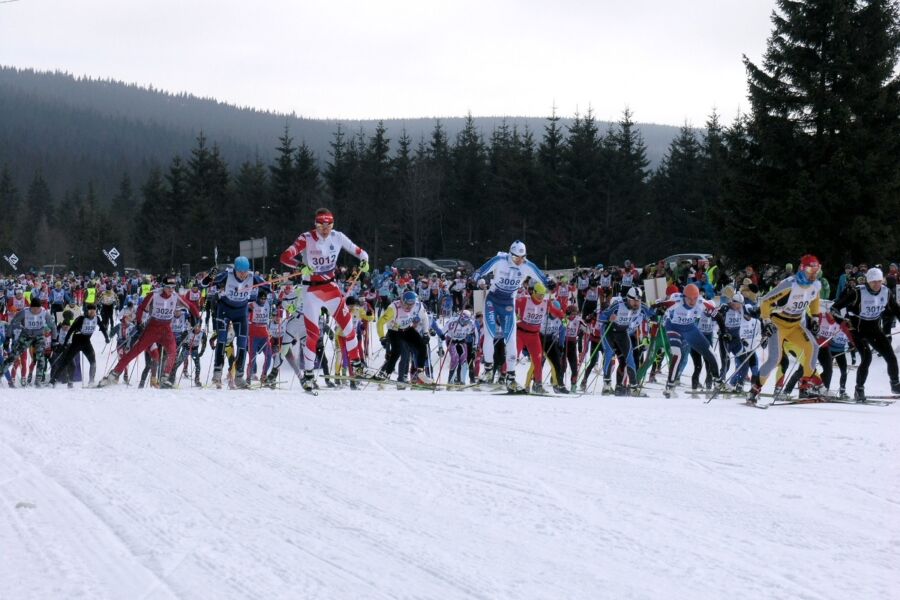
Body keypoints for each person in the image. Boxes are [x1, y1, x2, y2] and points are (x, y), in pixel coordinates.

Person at [279, 208, 369, 391]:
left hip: (331, 287)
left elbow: (360, 252)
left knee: (349, 327)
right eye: (321, 225)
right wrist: (301, 265)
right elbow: (285, 257)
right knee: (313, 335)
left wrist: (364, 261)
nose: (325, 229)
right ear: (316, 224)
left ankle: (357, 365)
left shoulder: (338, 237)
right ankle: (310, 374)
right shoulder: (306, 238)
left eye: (329, 225)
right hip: (311, 290)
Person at [747, 254, 826, 405]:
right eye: (811, 271)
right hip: (779, 324)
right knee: (775, 359)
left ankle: (807, 383)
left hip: (796, 324)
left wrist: (815, 318)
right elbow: (765, 301)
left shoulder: (816, 285)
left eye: (816, 271)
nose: (813, 275)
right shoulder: (789, 284)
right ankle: (755, 389)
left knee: (813, 347)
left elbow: (815, 299)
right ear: (803, 269)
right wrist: (766, 321)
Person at [472, 241, 548, 391]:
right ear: (510, 254)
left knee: (511, 339)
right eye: (516, 257)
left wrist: (549, 283)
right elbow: (481, 270)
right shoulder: (500, 260)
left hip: (508, 304)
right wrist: (475, 277)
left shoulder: (527, 265)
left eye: (522, 257)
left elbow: (542, 277)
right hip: (492, 301)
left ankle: (511, 377)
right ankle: (487, 370)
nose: (519, 260)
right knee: (490, 333)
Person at [99, 276, 200, 388]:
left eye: (173, 287)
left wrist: (197, 317)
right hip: (153, 327)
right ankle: (114, 374)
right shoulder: (154, 295)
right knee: (135, 351)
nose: (171, 289)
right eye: (169, 287)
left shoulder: (175, 296)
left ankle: (165, 378)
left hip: (166, 328)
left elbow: (190, 305)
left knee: (173, 351)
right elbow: (141, 308)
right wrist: (139, 322)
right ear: (163, 286)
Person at [831, 267, 900, 401]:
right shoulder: (857, 292)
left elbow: (896, 310)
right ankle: (859, 389)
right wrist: (842, 320)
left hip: (874, 328)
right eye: (873, 282)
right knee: (867, 357)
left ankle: (895, 384)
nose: (877, 285)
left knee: (890, 356)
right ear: (868, 281)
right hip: (857, 329)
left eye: (879, 281)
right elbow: (834, 308)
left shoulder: (886, 292)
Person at [202, 257, 270, 388]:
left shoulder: (252, 277)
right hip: (224, 310)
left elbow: (268, 287)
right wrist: (211, 275)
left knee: (242, 344)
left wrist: (263, 288)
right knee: (222, 340)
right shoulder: (226, 275)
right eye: (240, 272)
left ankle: (239, 376)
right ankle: (217, 373)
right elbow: (204, 284)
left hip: (241, 312)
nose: (243, 275)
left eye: (245, 272)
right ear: (235, 270)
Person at [1, 296, 57, 387]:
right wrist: (8, 338)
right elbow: (13, 323)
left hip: (39, 336)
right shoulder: (24, 312)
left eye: (37, 308)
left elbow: (53, 326)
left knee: (41, 358)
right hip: (26, 335)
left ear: (40, 307)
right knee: (13, 355)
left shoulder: (44, 313)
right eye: (33, 308)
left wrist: (54, 340)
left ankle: (38, 380)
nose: (35, 311)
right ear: (30, 307)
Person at [49, 302, 109, 386]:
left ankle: (91, 381)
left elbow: (102, 328)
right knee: (66, 361)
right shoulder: (81, 319)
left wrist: (106, 337)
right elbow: (70, 330)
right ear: (87, 311)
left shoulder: (97, 319)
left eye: (94, 312)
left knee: (93, 361)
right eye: (90, 312)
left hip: (86, 342)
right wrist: (65, 343)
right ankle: (53, 380)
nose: (92, 314)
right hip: (77, 341)